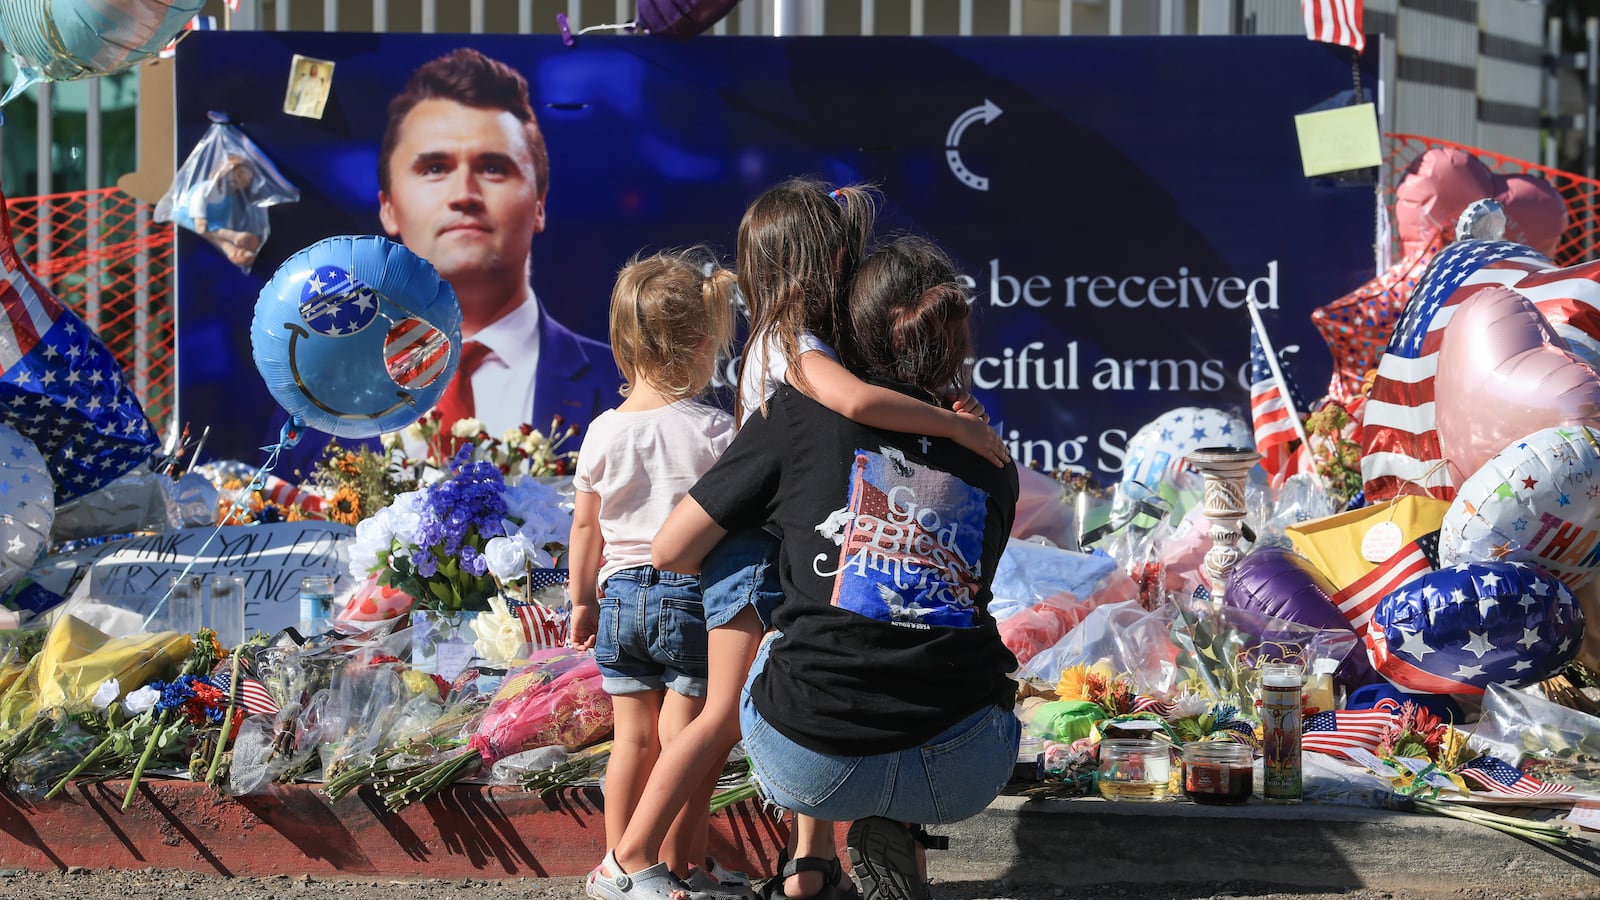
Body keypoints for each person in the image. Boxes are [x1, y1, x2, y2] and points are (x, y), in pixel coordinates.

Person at [602, 178, 1008, 900]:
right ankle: (638, 858)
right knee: (847, 635)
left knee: (808, 653)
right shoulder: (807, 361)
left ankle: (799, 862)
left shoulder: (797, 373)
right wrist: (952, 425)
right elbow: (854, 401)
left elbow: (672, 547)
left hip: (762, 556)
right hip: (953, 752)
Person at [568, 250, 748, 900]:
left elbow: (585, 528)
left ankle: (622, 867)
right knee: (688, 744)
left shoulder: (602, 431)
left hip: (618, 597)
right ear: (703, 346)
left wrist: (581, 602)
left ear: (624, 344)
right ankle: (680, 866)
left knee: (632, 740)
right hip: (690, 599)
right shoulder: (715, 431)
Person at [378, 47, 622, 442]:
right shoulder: (318, 404)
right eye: (435, 168)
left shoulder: (629, 392)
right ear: (388, 207)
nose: (464, 194)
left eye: (493, 168)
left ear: (539, 204)